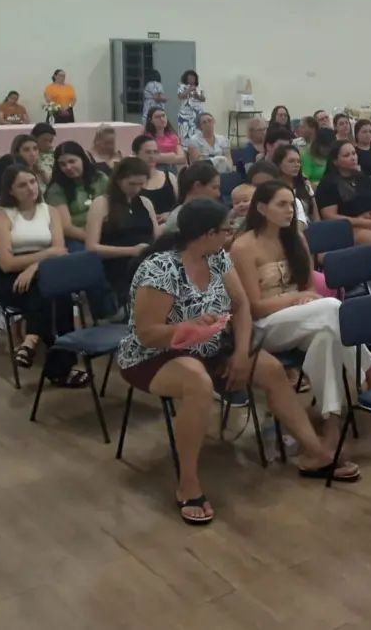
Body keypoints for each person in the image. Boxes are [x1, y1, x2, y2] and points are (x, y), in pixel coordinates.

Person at [119, 198, 352, 525]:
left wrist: (241, 354)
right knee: (197, 383)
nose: (231, 234)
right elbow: (146, 333)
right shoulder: (161, 268)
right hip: (155, 354)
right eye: (226, 229)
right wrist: (187, 327)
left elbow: (241, 306)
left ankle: (315, 452)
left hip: (210, 344)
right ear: (206, 233)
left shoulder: (216, 258)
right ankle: (188, 484)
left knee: (270, 369)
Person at [232, 180, 371, 459]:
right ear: (261, 208)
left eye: (292, 204)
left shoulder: (296, 239)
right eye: (281, 204)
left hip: (306, 317)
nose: (290, 210)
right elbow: (255, 307)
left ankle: (331, 422)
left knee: (328, 335)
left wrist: (303, 299)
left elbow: (310, 290)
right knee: (331, 307)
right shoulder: (243, 247)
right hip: (266, 326)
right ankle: (370, 374)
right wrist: (295, 299)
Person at [0, 164, 84, 385]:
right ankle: (61, 370)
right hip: (9, 278)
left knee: (54, 292)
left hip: (42, 272)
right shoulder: (2, 215)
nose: (31, 188)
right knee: (55, 296)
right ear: (10, 190)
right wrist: (46, 255)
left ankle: (30, 341)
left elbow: (60, 251)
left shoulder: (49, 211)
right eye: (22, 185)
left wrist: (35, 267)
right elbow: (6, 263)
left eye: (32, 182)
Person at [85, 157, 158, 304]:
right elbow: (91, 248)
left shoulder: (145, 202)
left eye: (140, 184)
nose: (136, 189)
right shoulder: (102, 203)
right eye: (131, 184)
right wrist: (131, 250)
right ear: (119, 180)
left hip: (147, 263)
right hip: (118, 266)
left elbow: (156, 238)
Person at [314, 140, 371, 252]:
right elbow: (330, 216)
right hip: (346, 229)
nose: (353, 157)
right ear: (335, 161)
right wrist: (362, 221)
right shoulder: (329, 183)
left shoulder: (362, 177)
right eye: (347, 155)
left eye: (354, 153)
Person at [45, 141, 109, 249]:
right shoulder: (56, 189)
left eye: (72, 161)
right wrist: (94, 239)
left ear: (83, 159)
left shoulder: (100, 178)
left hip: (106, 231)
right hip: (77, 238)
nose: (68, 167)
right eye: (62, 164)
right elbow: (66, 227)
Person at [163, 161, 222, 233]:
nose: (218, 194)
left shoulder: (203, 213)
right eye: (214, 187)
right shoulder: (182, 218)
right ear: (197, 186)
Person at [133, 134, 178, 221]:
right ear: (136, 154)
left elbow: (180, 206)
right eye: (148, 152)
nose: (152, 156)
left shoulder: (170, 177)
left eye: (155, 152)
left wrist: (170, 214)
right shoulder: (131, 182)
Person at [270, 145, 318, 225]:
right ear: (279, 163)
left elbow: (316, 215)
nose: (296, 165)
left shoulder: (305, 184)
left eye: (299, 161)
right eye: (291, 161)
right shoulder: (272, 188)